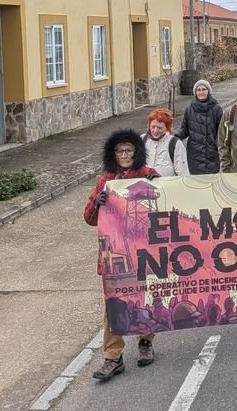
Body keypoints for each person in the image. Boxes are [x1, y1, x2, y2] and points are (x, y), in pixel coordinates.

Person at [83, 129, 162, 380]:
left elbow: (168, 204)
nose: (125, 155)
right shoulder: (105, 181)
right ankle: (112, 356)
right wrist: (98, 203)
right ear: (112, 154)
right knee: (113, 306)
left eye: (129, 150)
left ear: (137, 152)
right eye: (120, 151)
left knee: (143, 300)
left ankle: (145, 342)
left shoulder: (149, 176)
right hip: (115, 254)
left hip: (143, 252)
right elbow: (89, 218)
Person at [175, 79, 222, 175]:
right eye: (198, 90)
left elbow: (221, 132)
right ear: (195, 92)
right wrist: (174, 137)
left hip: (211, 154)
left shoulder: (216, 109)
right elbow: (184, 129)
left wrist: (217, 147)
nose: (201, 92)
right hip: (194, 154)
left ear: (208, 91)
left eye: (204, 89)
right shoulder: (189, 109)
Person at [143, 108, 189, 177]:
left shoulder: (175, 144)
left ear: (167, 128)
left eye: (159, 128)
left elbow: (183, 173)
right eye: (153, 127)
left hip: (167, 185)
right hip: (144, 185)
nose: (155, 131)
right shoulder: (142, 140)